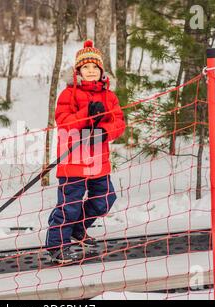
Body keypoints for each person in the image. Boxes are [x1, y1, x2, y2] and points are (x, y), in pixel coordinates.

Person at [46, 40, 126, 264]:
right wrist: (86, 113)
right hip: (73, 159)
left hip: (99, 160)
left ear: (101, 71)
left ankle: (77, 230)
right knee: (69, 205)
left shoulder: (109, 96)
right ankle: (57, 246)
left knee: (105, 199)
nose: (91, 71)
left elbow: (119, 122)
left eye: (95, 67)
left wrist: (104, 131)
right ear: (78, 71)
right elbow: (64, 123)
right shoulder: (68, 94)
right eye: (86, 67)